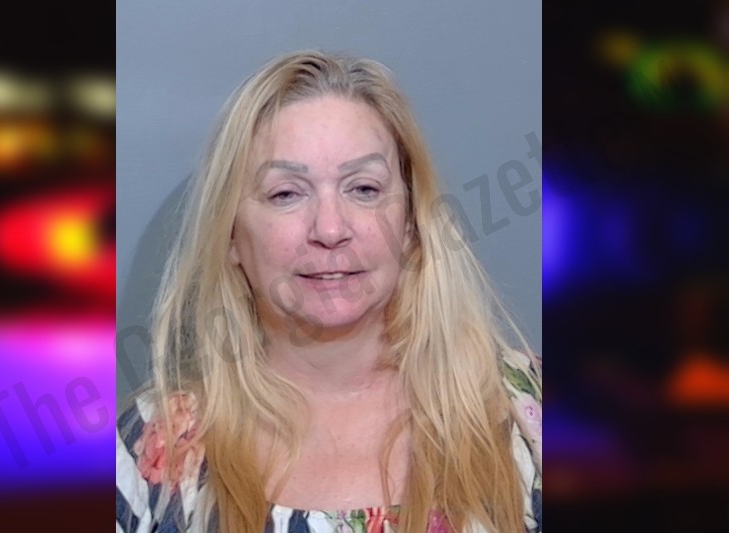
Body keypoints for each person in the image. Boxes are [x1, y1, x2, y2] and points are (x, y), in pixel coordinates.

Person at [116, 50, 541, 533]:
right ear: (230, 235)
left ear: (410, 222)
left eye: (364, 189)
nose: (331, 229)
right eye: (285, 194)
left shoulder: (531, 414)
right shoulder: (144, 452)